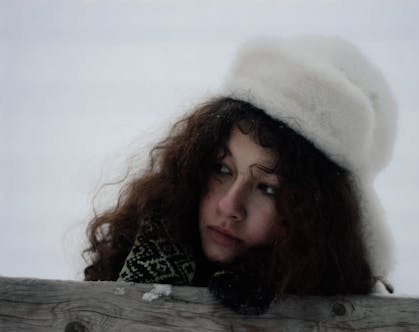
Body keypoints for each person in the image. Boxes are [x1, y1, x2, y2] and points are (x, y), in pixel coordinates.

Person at [82, 36, 397, 314]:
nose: (229, 206)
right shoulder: (149, 241)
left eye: (267, 189)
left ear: (314, 220)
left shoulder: (345, 317)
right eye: (222, 169)